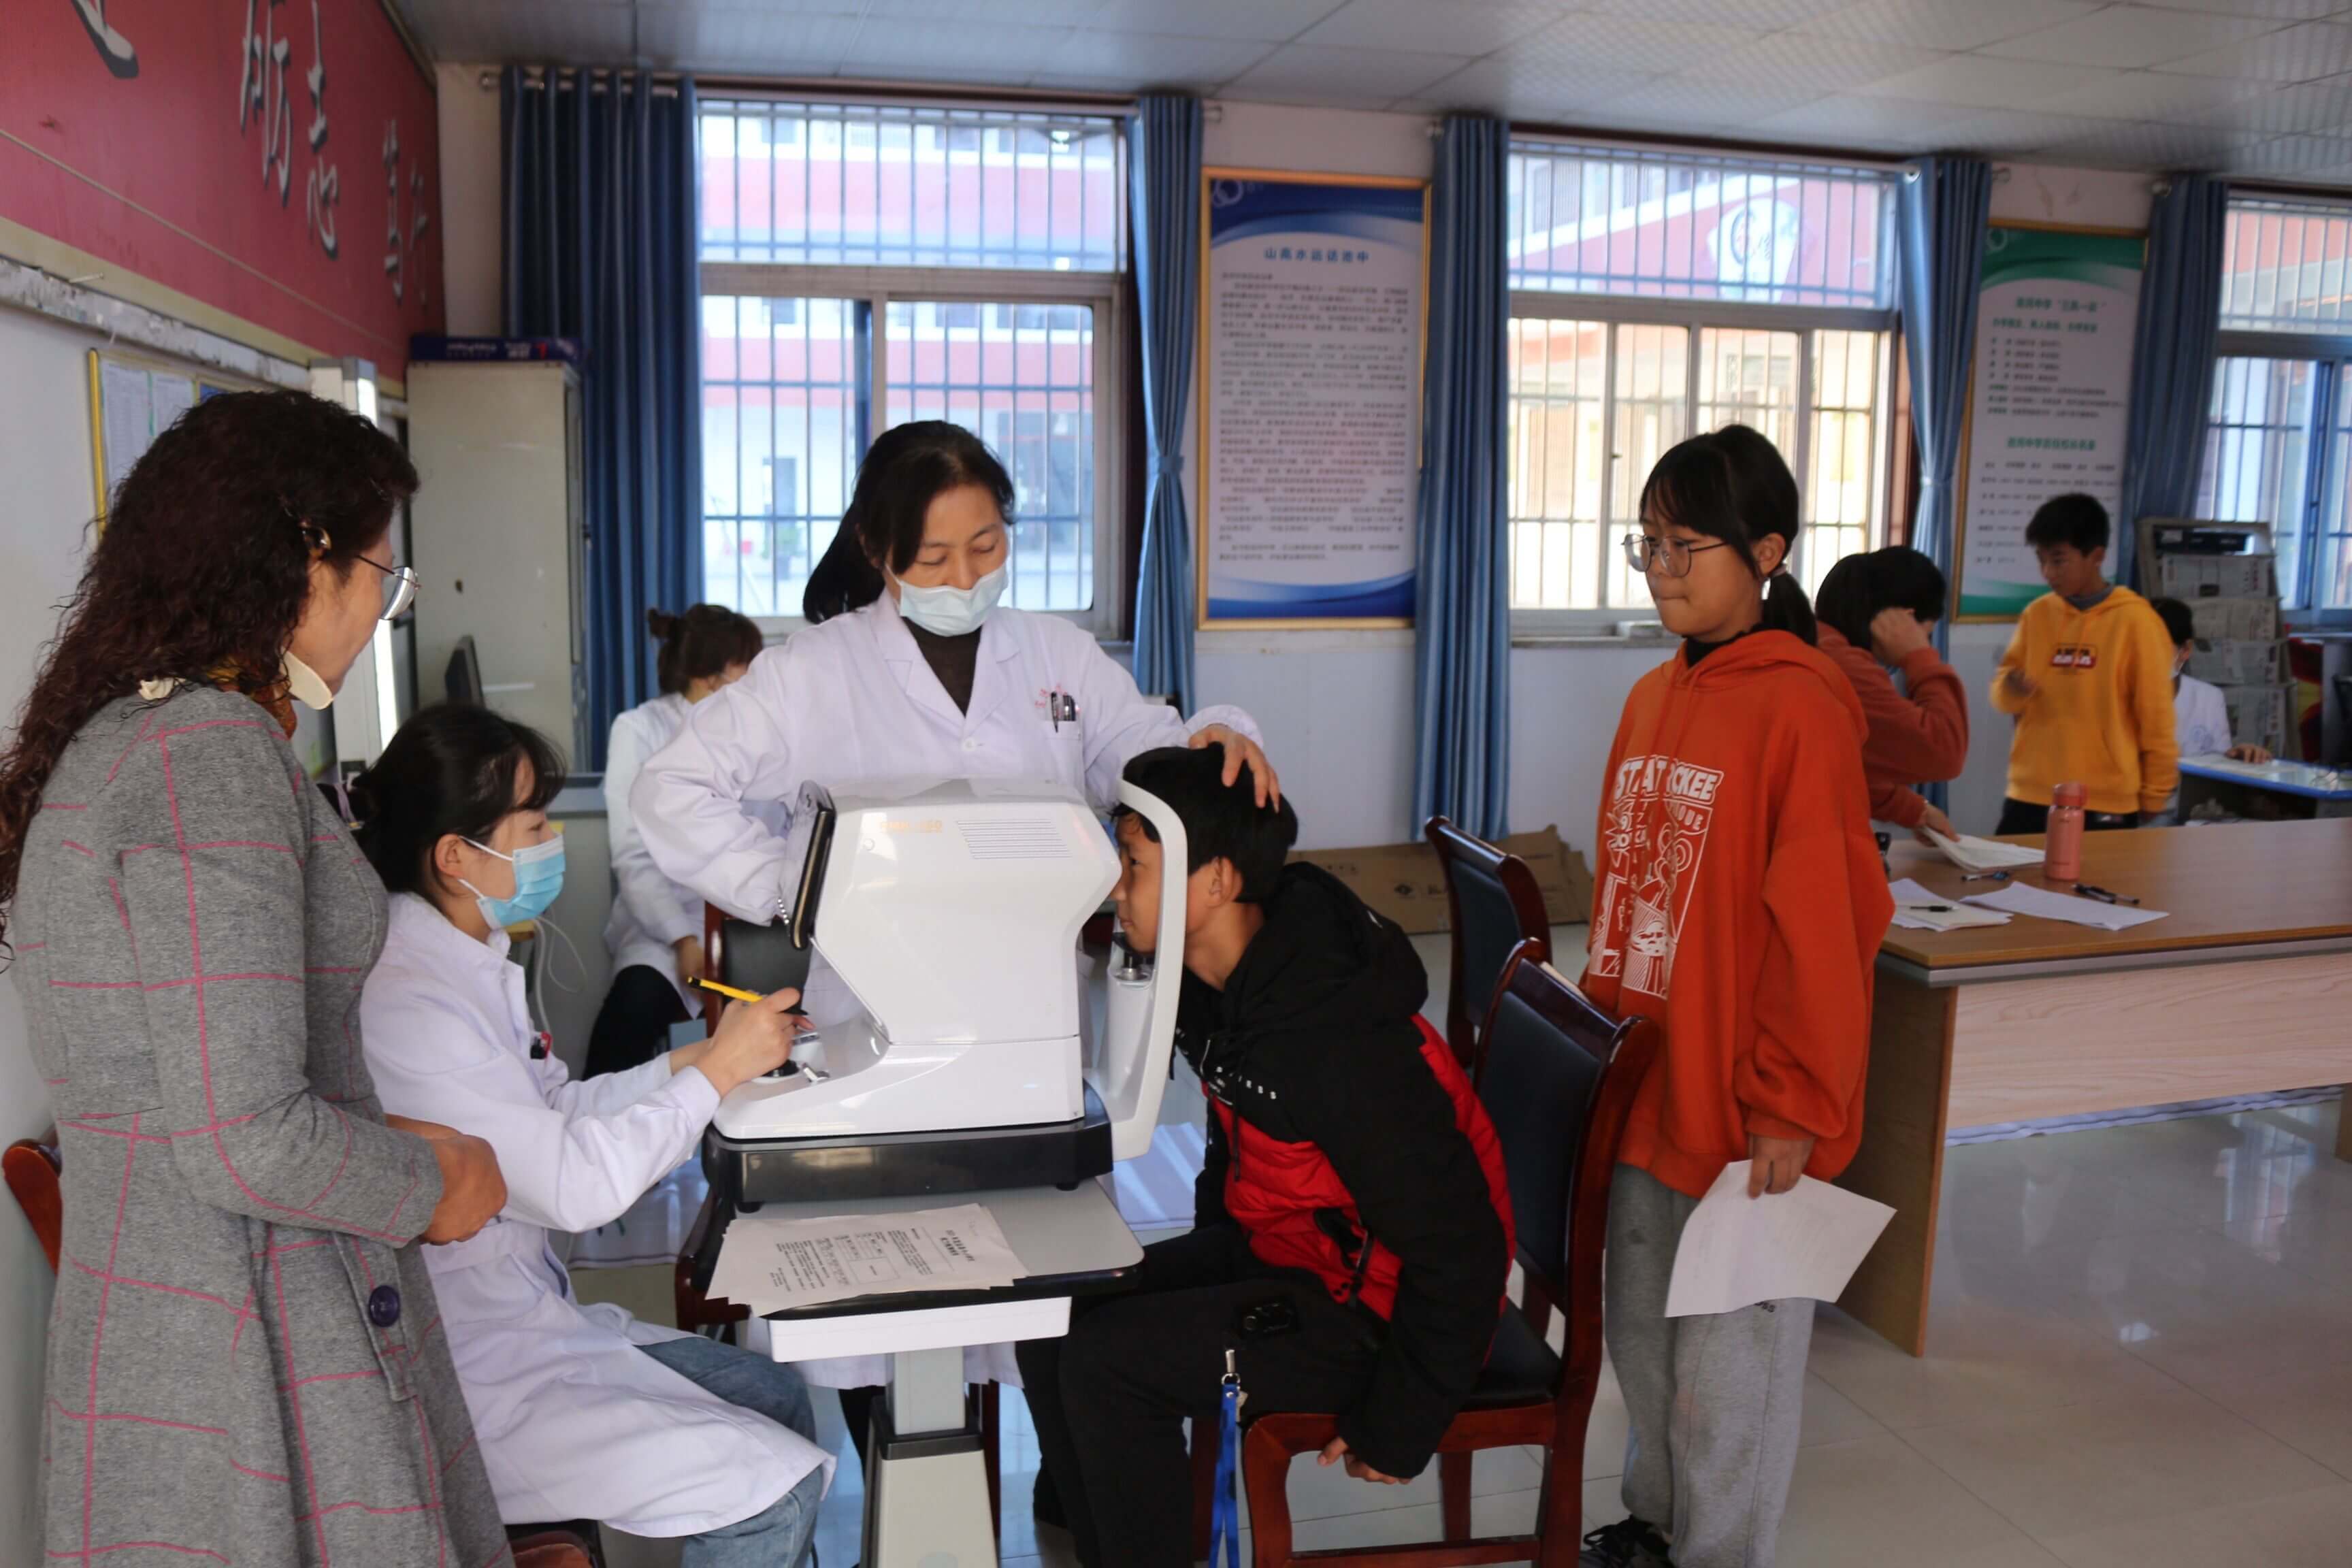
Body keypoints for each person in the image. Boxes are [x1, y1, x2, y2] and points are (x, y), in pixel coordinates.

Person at [632, 420, 1281, 1404]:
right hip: (874, 1021)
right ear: (877, 548)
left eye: (986, 545)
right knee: (886, 1317)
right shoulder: (817, 671)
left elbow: (1153, 756)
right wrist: (803, 890)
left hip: (1032, 1033)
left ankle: (1025, 1454)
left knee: (1030, 1298)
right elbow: (672, 789)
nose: (965, 576)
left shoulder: (1056, 657)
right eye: (933, 557)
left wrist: (1221, 729)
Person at [0, 389, 511, 1565]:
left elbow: (197, 1086)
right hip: (252, 1326)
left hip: (173, 1314)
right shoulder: (208, 756)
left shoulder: (135, 735)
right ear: (305, 559)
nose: (380, 606)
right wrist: (428, 1182)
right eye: (381, 572)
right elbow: (247, 1139)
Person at [350, 703, 832, 1560]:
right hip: (476, 1380)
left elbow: (555, 1113)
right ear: (455, 856)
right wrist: (718, 1074)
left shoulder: (463, 959)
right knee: (777, 1494)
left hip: (528, 1327)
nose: (553, 841)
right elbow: (573, 1188)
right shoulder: (411, 1002)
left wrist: (696, 1061)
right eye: (534, 825)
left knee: (772, 1395)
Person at [1017, 745, 1512, 1568]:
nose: (1115, 889)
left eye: (1134, 865)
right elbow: (1235, 1140)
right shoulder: (1218, 984)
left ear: (1214, 882)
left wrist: (1400, 1424)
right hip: (1292, 1249)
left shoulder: (1334, 1040)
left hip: (1382, 1312)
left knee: (1110, 1365)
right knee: (1049, 1319)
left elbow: (1463, 1249)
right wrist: (1211, 1273)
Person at [1579, 431, 1892, 1568]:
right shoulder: (1651, 694)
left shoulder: (1799, 710)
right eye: (1647, 544)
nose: (1661, 570)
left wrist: (1792, 1100)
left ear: (1765, 552)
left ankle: (1717, 1551)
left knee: (1729, 1376)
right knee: (1645, 1348)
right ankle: (1657, 1525)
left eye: (1685, 546)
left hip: (1746, 1110)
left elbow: (1824, 926)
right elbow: (1625, 896)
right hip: (1646, 1089)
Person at [589, 603, 765, 1078]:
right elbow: (633, 854)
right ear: (709, 676)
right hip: (665, 924)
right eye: (747, 664)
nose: (758, 676)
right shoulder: (640, 730)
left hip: (748, 915)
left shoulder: (758, 733)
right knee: (631, 1014)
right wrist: (682, 938)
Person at [1989, 494, 2178, 836]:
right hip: (2031, 791)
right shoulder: (2038, 615)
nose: (2048, 573)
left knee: (2093, 874)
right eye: (2042, 560)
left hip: (2104, 799)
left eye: (2059, 561)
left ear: (2097, 557)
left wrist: (2156, 792)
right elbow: (2004, 697)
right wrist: (2011, 687)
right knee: (2005, 870)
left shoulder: (2137, 622)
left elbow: (2156, 717)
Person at [1814, 546, 1970, 841]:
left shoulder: (1820, 641)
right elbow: (1943, 751)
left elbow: (1849, 764)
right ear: (1905, 620)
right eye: (1924, 634)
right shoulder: (1843, 666)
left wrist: (1915, 810)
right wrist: (1920, 656)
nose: (1924, 643)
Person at [2152, 596, 2272, 764]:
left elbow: (2219, 763)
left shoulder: (2209, 699)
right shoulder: (2117, 697)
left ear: (2185, 650)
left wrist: (2238, 756)